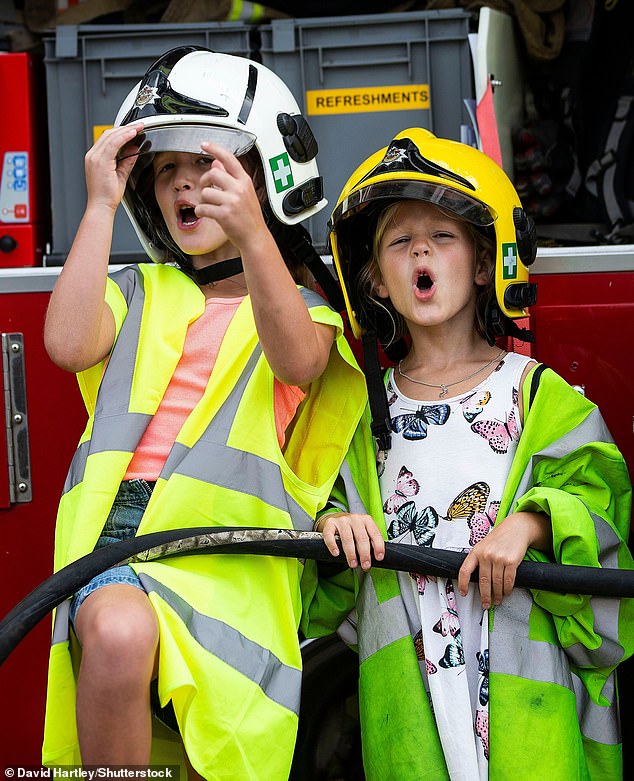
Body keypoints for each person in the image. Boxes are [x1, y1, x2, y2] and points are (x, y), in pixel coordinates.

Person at [41, 46, 369, 778]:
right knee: (119, 632)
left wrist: (257, 237)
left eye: (209, 163)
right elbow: (64, 343)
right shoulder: (139, 290)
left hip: (232, 576)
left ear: (265, 181)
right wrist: (99, 204)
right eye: (164, 170)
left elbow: (298, 361)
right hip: (118, 553)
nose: (184, 181)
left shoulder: (300, 309)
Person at [301, 128, 634, 780]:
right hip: (409, 701)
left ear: (488, 265)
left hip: (527, 695)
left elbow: (603, 499)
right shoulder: (358, 416)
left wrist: (531, 522)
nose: (421, 247)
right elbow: (320, 518)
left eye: (444, 235)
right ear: (372, 280)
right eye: (399, 240)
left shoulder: (539, 396)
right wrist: (329, 525)